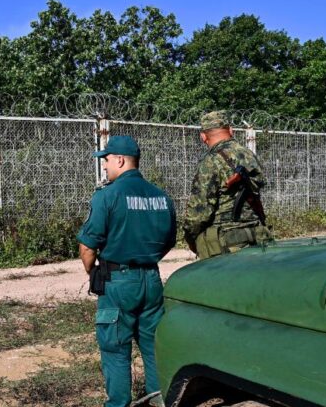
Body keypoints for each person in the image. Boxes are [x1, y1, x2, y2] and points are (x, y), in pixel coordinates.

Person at [77, 135, 176, 407]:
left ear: (120, 159)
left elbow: (87, 246)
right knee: (153, 346)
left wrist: (93, 272)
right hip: (152, 280)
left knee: (115, 348)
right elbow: (169, 240)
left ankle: (118, 404)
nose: (105, 166)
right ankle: (159, 400)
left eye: (106, 160)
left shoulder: (107, 195)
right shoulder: (161, 197)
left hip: (118, 282)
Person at [182, 111, 271, 259]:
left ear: (203, 137)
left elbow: (199, 213)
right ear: (231, 130)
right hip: (257, 236)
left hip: (226, 244)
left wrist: (191, 238)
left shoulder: (210, 162)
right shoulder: (249, 155)